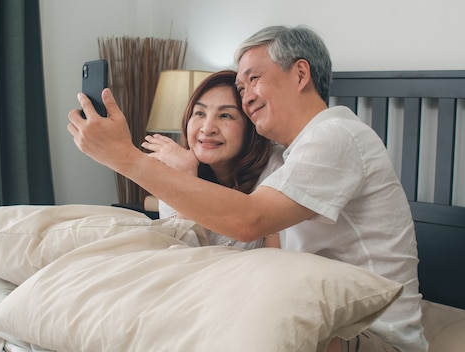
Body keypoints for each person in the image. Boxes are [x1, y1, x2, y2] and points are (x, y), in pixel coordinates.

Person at [68, 25, 428, 352]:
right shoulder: (290, 157)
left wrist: (125, 157)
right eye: (241, 88)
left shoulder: (336, 136)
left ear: (300, 73)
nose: (247, 97)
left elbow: (249, 220)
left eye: (253, 79)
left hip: (374, 333)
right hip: (319, 317)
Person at [142, 70, 283, 249]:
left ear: (250, 128)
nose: (208, 128)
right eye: (199, 113)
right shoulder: (177, 170)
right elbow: (183, 258)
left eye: (225, 115)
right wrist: (186, 179)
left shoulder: (277, 170)